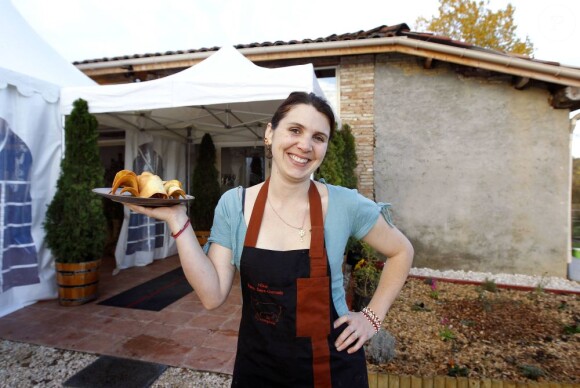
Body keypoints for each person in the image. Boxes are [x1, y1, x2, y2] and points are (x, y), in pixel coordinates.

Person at [126, 91, 414, 387]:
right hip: (258, 367)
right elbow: (212, 296)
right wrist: (178, 220)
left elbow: (401, 251)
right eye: (295, 130)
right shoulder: (234, 205)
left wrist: (372, 317)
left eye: (318, 137)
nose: (304, 145)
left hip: (330, 368)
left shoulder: (345, 204)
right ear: (269, 133)